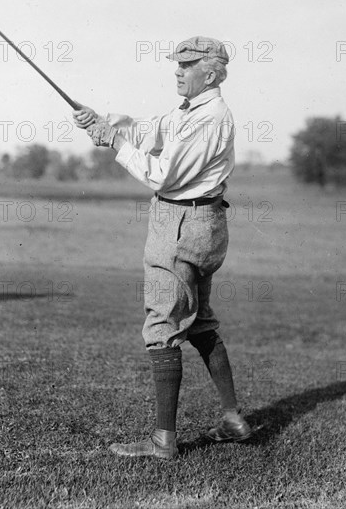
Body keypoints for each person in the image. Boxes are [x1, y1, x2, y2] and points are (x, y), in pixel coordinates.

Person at [73, 36, 252, 459]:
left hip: (179, 223)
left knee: (163, 325)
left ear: (209, 74)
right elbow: (153, 129)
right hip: (204, 224)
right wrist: (105, 121)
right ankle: (233, 419)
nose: (177, 70)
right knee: (200, 321)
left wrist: (114, 142)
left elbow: (162, 176)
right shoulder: (193, 110)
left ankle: (163, 440)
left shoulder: (209, 118)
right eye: (177, 63)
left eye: (187, 65)